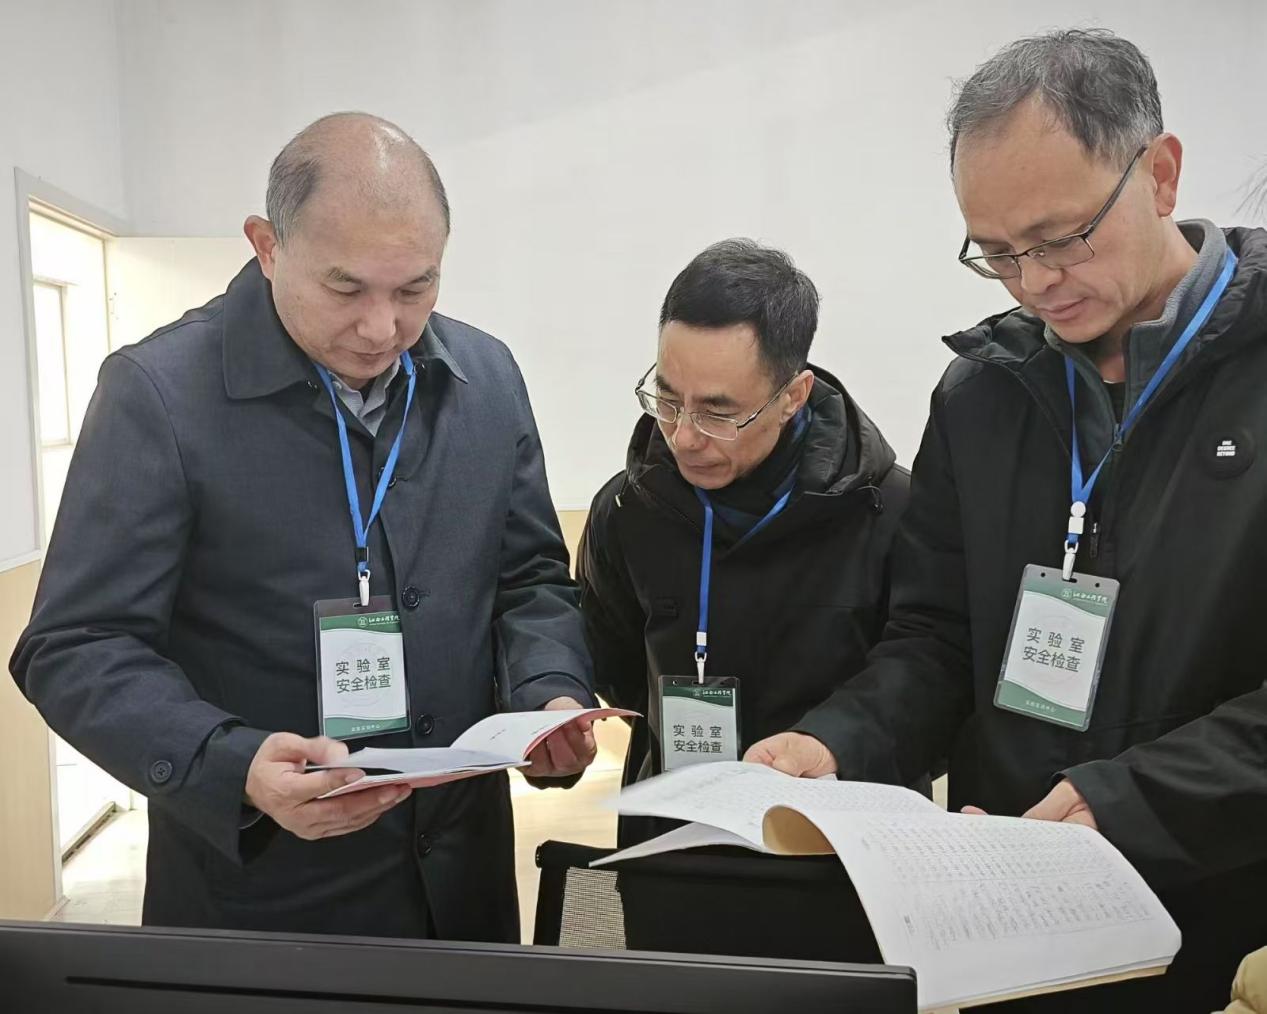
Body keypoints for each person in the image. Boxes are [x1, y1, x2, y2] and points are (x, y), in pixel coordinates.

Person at [746, 29, 1267, 1011]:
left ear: (1159, 174)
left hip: (1223, 925)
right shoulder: (982, 392)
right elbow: (936, 635)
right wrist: (838, 740)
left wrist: (1131, 802)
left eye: (1062, 238)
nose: (1034, 283)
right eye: (996, 253)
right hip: (1008, 911)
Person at [11, 112, 597, 943]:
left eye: (415, 288)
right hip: (264, 894)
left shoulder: (486, 379)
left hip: (460, 883)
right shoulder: (161, 394)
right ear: (267, 245)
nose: (382, 328)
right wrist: (232, 763)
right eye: (346, 289)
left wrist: (547, 692)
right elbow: (74, 646)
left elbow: (529, 579)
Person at [578, 238, 909, 844]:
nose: (684, 436)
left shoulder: (889, 514)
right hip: (673, 842)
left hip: (839, 853)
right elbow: (616, 668)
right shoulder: (627, 512)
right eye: (668, 400)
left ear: (792, 397)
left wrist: (831, 742)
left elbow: (923, 685)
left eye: (718, 413)